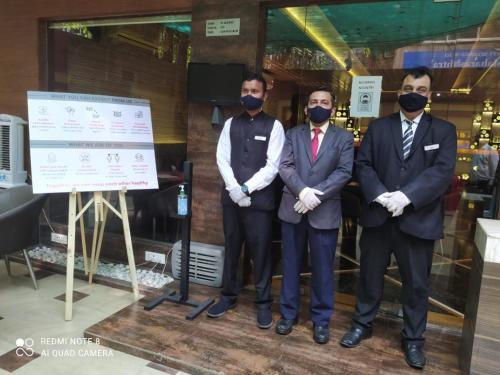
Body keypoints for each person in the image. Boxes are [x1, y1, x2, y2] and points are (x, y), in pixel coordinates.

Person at [340, 66, 457, 369]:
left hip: (418, 221)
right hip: (379, 217)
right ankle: (362, 324)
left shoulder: (444, 131)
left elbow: (442, 173)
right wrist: (380, 195)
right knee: (368, 277)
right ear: (399, 91)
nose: (413, 94)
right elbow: (363, 165)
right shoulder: (379, 127)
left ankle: (414, 340)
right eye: (408, 88)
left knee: (416, 285)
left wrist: (406, 197)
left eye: (420, 90)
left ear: (429, 94)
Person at [276, 87, 354, 344]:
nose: (318, 105)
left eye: (324, 102)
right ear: (307, 108)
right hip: (293, 211)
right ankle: (288, 315)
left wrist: (314, 196)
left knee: (323, 270)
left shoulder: (343, 138)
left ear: (333, 108)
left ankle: (321, 320)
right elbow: (285, 166)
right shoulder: (293, 134)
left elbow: (344, 172)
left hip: (325, 212)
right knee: (290, 265)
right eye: (313, 102)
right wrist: (301, 192)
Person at [208, 72, 285, 329]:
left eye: (254, 91)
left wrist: (246, 188)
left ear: (264, 95)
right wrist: (234, 189)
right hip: (231, 200)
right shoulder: (230, 124)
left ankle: (263, 304)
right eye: (245, 91)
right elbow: (222, 158)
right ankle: (228, 296)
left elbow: (273, 166)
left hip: (260, 204)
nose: (249, 95)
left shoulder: (274, 126)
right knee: (232, 249)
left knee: (260, 254)